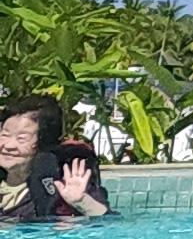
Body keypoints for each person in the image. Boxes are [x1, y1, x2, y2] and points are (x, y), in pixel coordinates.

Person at [1, 96, 111, 226]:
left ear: (43, 142)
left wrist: (81, 201)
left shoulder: (63, 181)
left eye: (21, 138)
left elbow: (108, 222)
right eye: (4, 135)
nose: (8, 145)